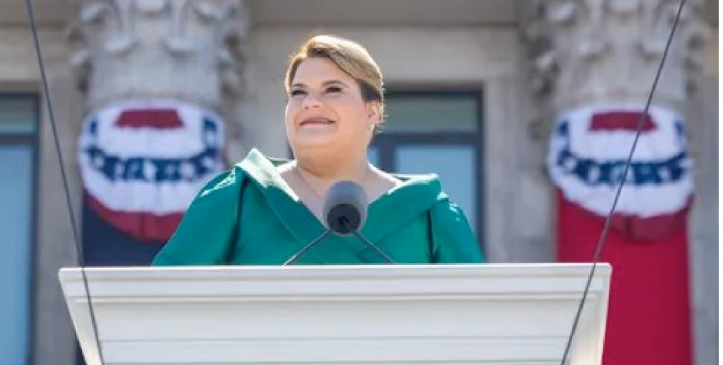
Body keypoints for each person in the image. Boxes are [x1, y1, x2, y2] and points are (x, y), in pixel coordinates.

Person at [152, 34, 483, 265]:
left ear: (372, 111)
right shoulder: (239, 196)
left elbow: (481, 315)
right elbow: (161, 304)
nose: (310, 102)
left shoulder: (428, 212)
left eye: (332, 89)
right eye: (298, 92)